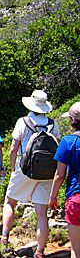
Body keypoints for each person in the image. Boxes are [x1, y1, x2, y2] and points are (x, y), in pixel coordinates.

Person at [0, 90, 60, 258]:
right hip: (47, 171)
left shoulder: (23, 122)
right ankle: (40, 251)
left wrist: (13, 168)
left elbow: (13, 148)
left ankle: (4, 239)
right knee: (42, 212)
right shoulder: (52, 124)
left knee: (10, 202)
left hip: (24, 167)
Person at [49, 102, 80, 258]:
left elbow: (60, 175)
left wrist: (53, 196)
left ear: (73, 120)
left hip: (76, 197)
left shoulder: (68, 141)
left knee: (76, 248)